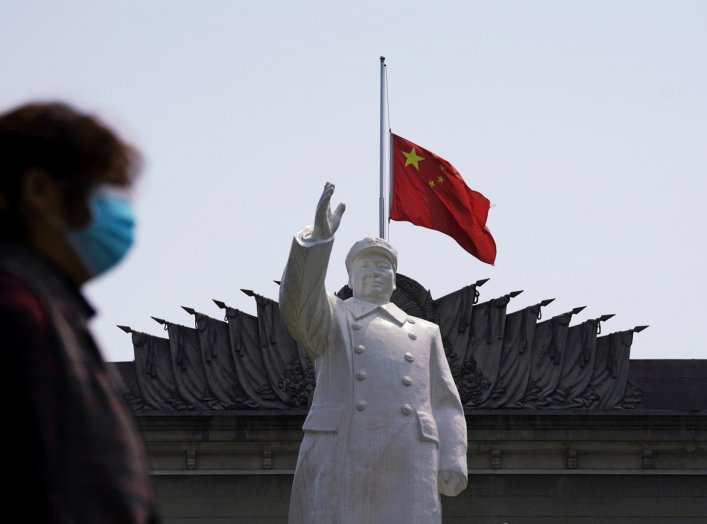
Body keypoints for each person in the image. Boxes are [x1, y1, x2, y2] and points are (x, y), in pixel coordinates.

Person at [0, 102, 159, 523]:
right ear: (38, 190)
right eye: (105, 193)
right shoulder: (16, 313)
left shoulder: (54, 312)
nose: (121, 215)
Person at [279, 182, 468, 524]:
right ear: (350, 278)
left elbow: (444, 400)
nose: (375, 273)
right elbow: (298, 303)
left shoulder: (425, 332)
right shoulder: (332, 317)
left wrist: (453, 456)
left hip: (408, 453)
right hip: (344, 447)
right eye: (365, 267)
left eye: (383, 268)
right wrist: (317, 242)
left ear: (395, 280)